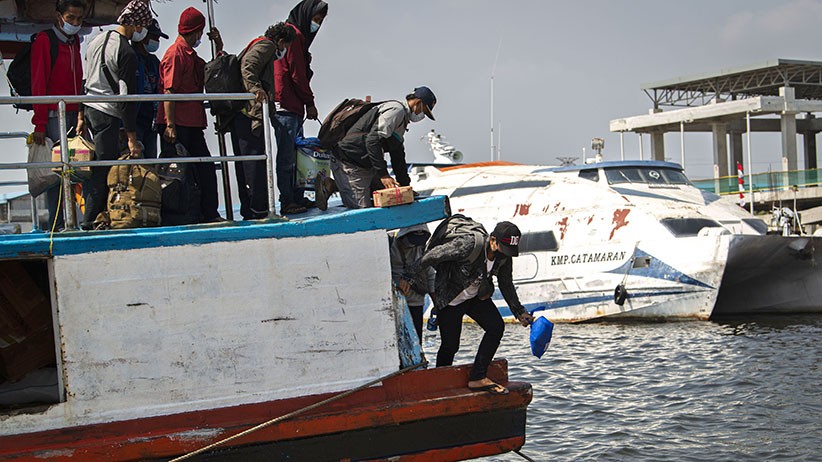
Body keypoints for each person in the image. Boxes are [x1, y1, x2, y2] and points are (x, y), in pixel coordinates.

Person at [410, 219, 534, 395]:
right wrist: (408, 277)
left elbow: (506, 284)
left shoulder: (504, 257)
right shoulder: (469, 244)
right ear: (493, 240)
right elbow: (432, 256)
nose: (504, 254)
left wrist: (519, 311)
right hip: (450, 298)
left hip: (476, 297)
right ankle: (439, 382)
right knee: (450, 346)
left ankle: (477, 377)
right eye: (502, 249)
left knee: (496, 327)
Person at [82, 0, 148, 228]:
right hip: (106, 112)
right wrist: (132, 139)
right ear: (136, 25)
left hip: (90, 108)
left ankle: (96, 216)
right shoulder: (126, 52)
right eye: (142, 27)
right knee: (104, 168)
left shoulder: (96, 40)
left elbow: (86, 77)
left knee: (100, 165)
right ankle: (90, 221)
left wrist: (81, 115)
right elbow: (126, 99)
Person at [155, 7, 223, 223]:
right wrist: (170, 125)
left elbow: (209, 72)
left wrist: (219, 47)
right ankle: (180, 217)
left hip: (192, 123)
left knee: (203, 167)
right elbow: (169, 90)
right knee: (176, 173)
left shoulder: (191, 57)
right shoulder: (175, 54)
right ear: (196, 32)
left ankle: (208, 213)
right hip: (178, 123)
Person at [327, 86, 436, 209]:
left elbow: (397, 153)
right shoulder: (396, 111)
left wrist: (405, 186)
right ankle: (333, 184)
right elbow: (373, 140)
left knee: (392, 194)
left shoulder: (402, 119)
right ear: (418, 102)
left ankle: (333, 185)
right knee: (362, 210)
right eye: (424, 111)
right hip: (349, 161)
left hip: (365, 164)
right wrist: (384, 175)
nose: (421, 116)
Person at [30, 0, 87, 230]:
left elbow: (79, 80)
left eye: (79, 19)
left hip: (73, 116)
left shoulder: (74, 43)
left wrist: (81, 114)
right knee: (56, 174)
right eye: (70, 18)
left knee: (75, 170)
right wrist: (39, 123)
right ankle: (56, 224)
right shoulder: (45, 41)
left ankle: (73, 221)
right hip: (54, 116)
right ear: (59, 16)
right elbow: (38, 83)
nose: (75, 23)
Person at [230, 23, 295, 220]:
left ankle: (251, 210)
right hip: (249, 115)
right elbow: (248, 66)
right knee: (255, 165)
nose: (283, 51)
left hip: (242, 114)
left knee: (249, 163)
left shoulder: (258, 43)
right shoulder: (267, 46)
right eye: (285, 47)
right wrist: (256, 90)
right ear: (281, 41)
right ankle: (259, 211)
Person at [273, 0, 328, 215]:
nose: (317, 25)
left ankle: (296, 197)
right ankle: (287, 200)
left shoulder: (299, 39)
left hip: (293, 105)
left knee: (296, 156)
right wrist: (310, 102)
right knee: (287, 156)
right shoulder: (293, 35)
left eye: (320, 21)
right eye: (316, 19)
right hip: (286, 104)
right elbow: (297, 75)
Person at [390, 224, 435, 343]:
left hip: (417, 302)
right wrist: (398, 282)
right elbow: (393, 273)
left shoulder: (422, 248)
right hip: (398, 303)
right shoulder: (394, 247)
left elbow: (430, 273)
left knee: (416, 341)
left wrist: (436, 302)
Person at [132, 18, 167, 159]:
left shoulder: (154, 61)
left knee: (151, 164)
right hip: (135, 121)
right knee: (136, 163)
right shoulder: (130, 57)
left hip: (151, 121)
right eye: (153, 37)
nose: (156, 41)